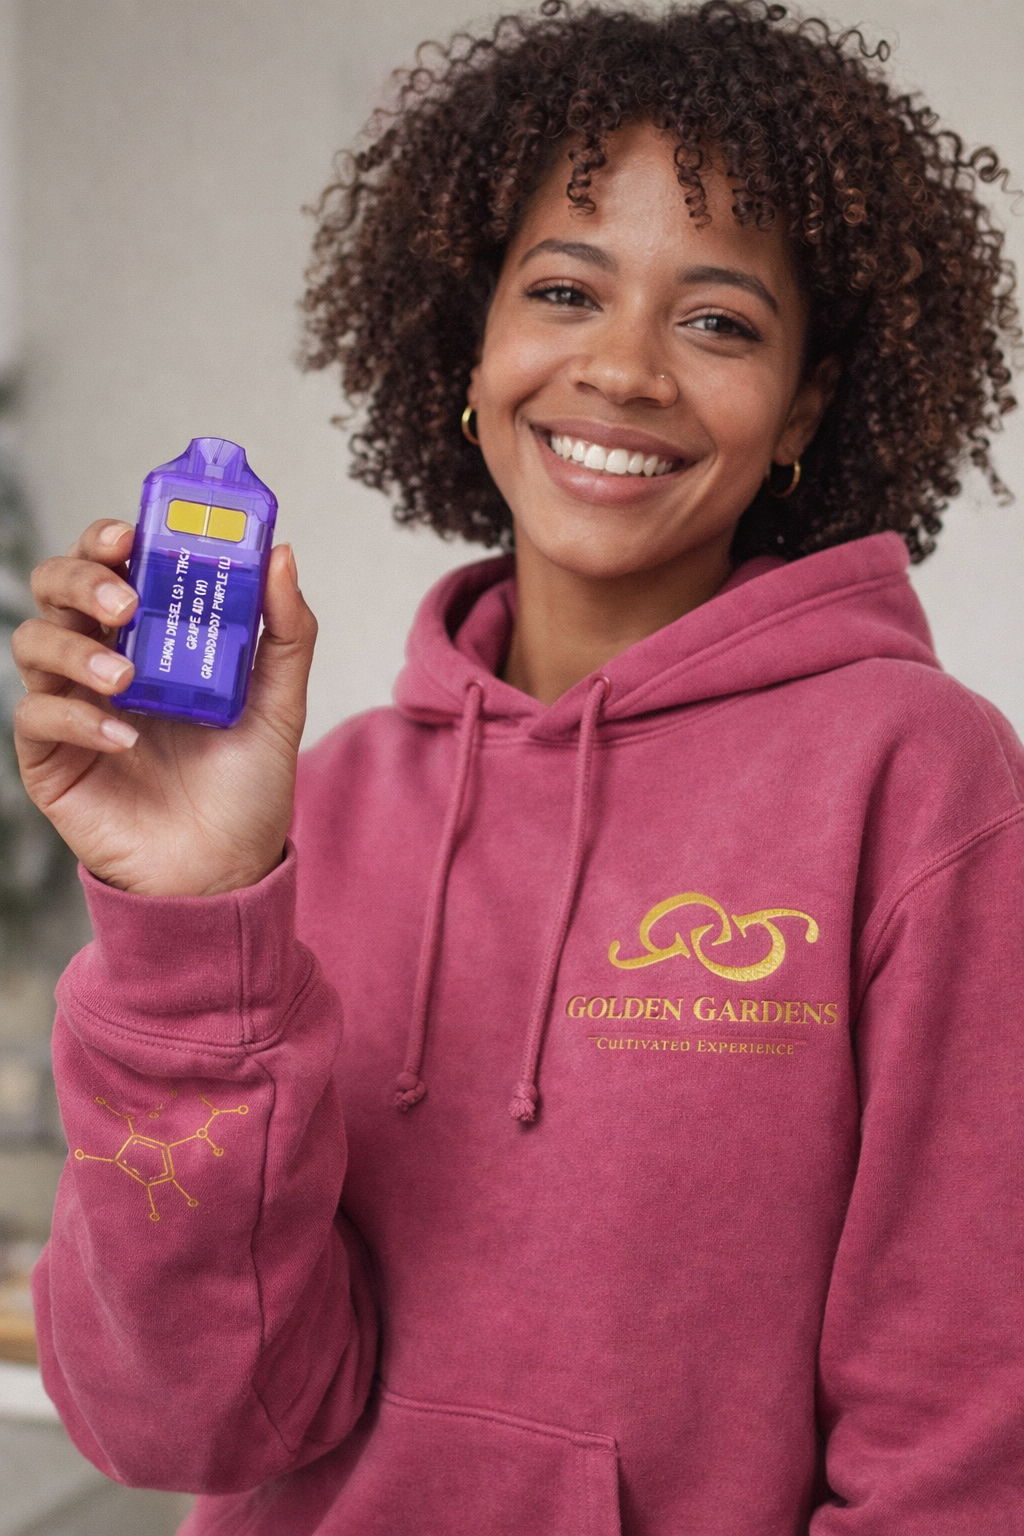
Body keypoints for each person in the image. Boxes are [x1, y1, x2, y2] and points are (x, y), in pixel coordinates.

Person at [11, 1, 1024, 1531]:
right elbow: (183, 1421)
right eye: (564, 289)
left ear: (807, 405)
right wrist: (192, 918)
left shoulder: (919, 785)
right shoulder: (320, 809)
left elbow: (959, 1456)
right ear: (470, 344)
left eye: (720, 320)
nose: (622, 370)